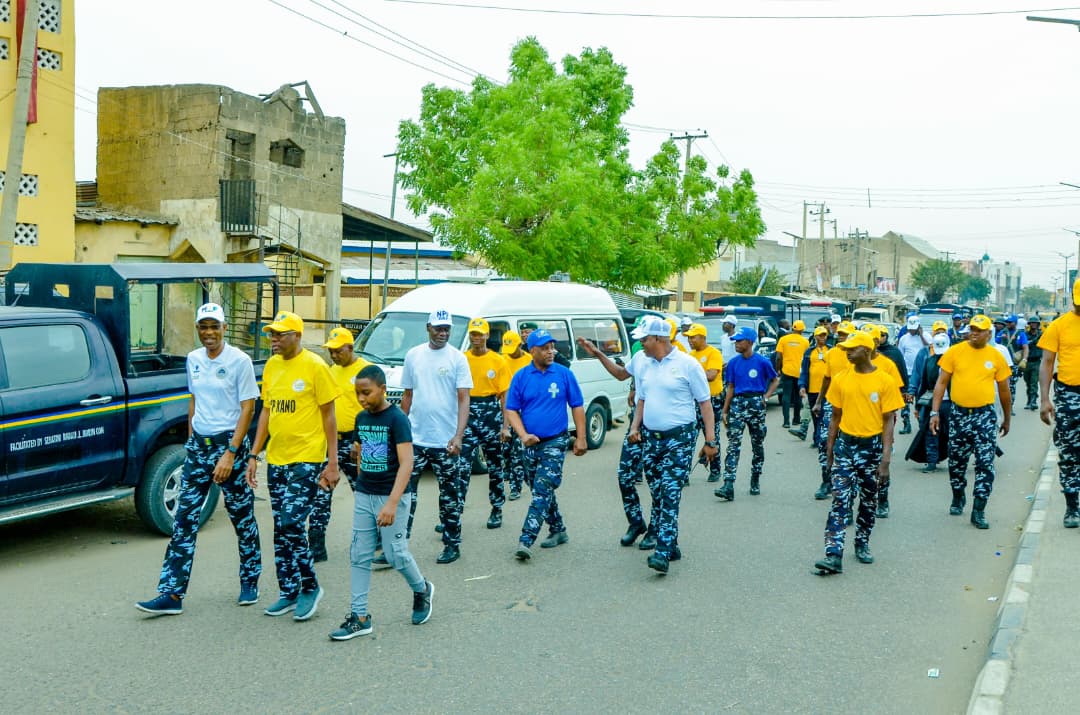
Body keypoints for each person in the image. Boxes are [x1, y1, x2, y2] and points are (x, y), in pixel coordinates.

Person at [135, 303, 261, 616]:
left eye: (214, 326)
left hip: (229, 447)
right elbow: (195, 400)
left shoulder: (239, 361)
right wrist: (191, 439)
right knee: (184, 521)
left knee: (242, 516)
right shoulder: (193, 359)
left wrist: (231, 453)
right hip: (199, 449)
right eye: (203, 327)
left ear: (225, 328)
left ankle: (250, 580)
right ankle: (171, 594)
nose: (209, 333)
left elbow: (248, 408)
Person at [328, 365, 433, 640]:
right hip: (365, 494)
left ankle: (422, 589)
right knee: (359, 555)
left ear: (383, 389)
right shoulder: (362, 419)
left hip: (392, 496)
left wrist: (391, 504)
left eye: (366, 392)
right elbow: (363, 453)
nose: (362, 398)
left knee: (395, 553)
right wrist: (361, 475)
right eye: (357, 393)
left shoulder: (397, 419)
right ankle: (359, 617)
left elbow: (407, 463)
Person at [246, 311, 339, 621]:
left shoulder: (316, 366)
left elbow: (329, 416)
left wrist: (332, 462)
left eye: (280, 334)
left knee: (291, 522)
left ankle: (310, 585)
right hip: (278, 458)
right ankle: (288, 590)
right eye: (272, 333)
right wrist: (253, 455)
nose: (273, 338)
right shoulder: (272, 366)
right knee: (280, 529)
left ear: (297, 336)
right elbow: (266, 413)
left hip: (308, 457)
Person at [629, 316, 717, 574]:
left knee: (669, 492)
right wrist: (635, 427)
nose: (641, 344)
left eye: (644, 339)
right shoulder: (645, 364)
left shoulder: (687, 364)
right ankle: (673, 543)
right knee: (657, 492)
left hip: (679, 438)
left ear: (658, 338)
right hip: (651, 438)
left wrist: (710, 441)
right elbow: (642, 401)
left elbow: (705, 404)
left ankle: (663, 551)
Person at [813, 331, 904, 575]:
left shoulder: (885, 380)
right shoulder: (841, 378)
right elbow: (835, 417)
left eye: (852, 349)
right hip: (845, 445)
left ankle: (862, 542)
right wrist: (830, 450)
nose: (847, 353)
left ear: (866, 350)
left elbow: (888, 422)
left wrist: (885, 460)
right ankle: (833, 554)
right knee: (840, 500)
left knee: (868, 500)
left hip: (871, 448)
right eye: (845, 349)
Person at [507, 330, 588, 561]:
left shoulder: (563, 374)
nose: (551, 351)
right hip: (530, 443)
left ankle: (526, 539)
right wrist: (522, 435)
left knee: (542, 488)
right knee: (539, 490)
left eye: (552, 346)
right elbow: (511, 409)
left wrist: (581, 438)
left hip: (555, 440)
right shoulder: (522, 376)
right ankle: (558, 529)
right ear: (532, 350)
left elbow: (577, 405)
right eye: (545, 347)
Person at [400, 309, 472, 565]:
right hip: (416, 440)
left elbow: (464, 399)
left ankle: (452, 545)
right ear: (428, 327)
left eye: (447, 329)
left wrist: (458, 435)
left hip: (446, 442)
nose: (442, 333)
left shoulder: (457, 358)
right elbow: (407, 396)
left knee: (450, 496)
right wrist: (399, 431)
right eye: (438, 328)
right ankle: (398, 545)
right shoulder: (414, 356)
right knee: (405, 494)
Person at [929, 315, 1012, 529]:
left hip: (984, 416)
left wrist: (1006, 418)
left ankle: (979, 509)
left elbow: (1004, 391)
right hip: (959, 415)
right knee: (957, 462)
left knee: (985, 463)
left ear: (989, 334)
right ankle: (958, 495)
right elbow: (941, 383)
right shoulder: (954, 352)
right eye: (972, 329)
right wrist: (934, 412)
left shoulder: (996, 356)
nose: (974, 333)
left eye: (979, 330)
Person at [575, 334, 654, 549]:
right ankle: (636, 522)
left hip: (664, 429)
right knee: (625, 476)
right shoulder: (640, 358)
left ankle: (657, 529)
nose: (642, 342)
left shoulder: (678, 361)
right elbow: (621, 374)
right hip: (638, 423)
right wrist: (599, 354)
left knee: (659, 483)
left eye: (645, 338)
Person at [307, 327, 369, 563]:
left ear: (350, 348)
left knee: (367, 492)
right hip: (333, 441)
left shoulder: (366, 370)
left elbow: (373, 410)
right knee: (321, 493)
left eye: (338, 351)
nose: (334, 355)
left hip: (362, 441)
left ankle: (376, 540)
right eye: (330, 351)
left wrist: (360, 441)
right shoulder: (330, 371)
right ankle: (316, 545)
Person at [715, 327, 779, 501]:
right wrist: (725, 410)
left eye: (740, 340)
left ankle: (755, 477)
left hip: (756, 404)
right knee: (733, 445)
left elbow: (775, 380)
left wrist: (765, 397)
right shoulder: (734, 363)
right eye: (735, 340)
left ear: (750, 342)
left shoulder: (762, 361)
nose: (736, 343)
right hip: (737, 403)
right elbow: (730, 387)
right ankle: (728, 483)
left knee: (757, 445)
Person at [458, 318, 511, 530]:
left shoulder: (498, 361)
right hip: (468, 413)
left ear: (487, 335)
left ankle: (497, 509)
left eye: (480, 334)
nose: (477, 338)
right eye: (473, 334)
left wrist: (505, 426)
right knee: (461, 467)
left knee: (495, 466)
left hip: (491, 413)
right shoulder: (462, 359)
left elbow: (505, 397)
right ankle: (454, 513)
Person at [1037, 287, 1080, 528]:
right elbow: (1047, 362)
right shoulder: (1059, 326)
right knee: (1070, 452)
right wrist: (1044, 399)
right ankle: (1072, 507)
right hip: (1069, 395)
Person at [907, 332, 951, 473]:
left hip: (951, 402)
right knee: (930, 432)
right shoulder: (929, 361)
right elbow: (924, 384)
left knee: (953, 432)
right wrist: (918, 406)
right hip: (932, 402)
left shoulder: (955, 363)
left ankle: (955, 461)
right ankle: (932, 461)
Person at [687, 323, 725, 483]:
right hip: (693, 401)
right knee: (689, 437)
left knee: (711, 435)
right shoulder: (690, 355)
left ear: (703, 337)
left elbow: (711, 375)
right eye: (688, 337)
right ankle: (683, 474)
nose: (690, 340)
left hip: (712, 400)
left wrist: (694, 371)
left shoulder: (713, 353)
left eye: (693, 337)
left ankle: (715, 470)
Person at [500, 330, 532, 500]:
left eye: (513, 348)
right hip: (505, 408)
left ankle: (516, 486)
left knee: (517, 452)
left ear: (520, 345)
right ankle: (509, 472)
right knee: (504, 447)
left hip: (522, 410)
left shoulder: (529, 360)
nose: (510, 352)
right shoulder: (502, 359)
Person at [795, 326, 830, 446]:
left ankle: (820, 439)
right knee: (815, 416)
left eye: (824, 335)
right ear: (815, 337)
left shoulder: (831, 350)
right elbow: (804, 370)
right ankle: (817, 437)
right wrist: (802, 385)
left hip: (827, 390)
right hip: (812, 389)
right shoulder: (809, 352)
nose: (822, 337)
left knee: (823, 415)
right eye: (820, 335)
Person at [776, 319, 809, 430]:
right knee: (798, 396)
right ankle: (796, 419)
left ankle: (786, 421)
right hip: (799, 372)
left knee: (786, 395)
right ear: (802, 330)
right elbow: (806, 358)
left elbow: (778, 357)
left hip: (787, 371)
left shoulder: (783, 339)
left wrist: (778, 369)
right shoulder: (805, 342)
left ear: (792, 328)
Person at [894, 317, 925, 435]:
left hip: (921, 373)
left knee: (920, 399)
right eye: (910, 328)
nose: (912, 331)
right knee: (906, 399)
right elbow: (900, 355)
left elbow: (930, 349)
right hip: (907, 372)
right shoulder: (904, 339)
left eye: (915, 328)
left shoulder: (925, 337)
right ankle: (906, 423)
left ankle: (921, 423)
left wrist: (921, 336)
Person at [1002, 314, 1029, 413]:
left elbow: (1025, 347)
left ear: (1015, 323)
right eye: (1007, 322)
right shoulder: (1002, 332)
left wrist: (1024, 359)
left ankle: (1010, 407)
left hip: (1013, 364)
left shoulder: (1020, 334)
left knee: (1012, 386)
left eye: (1010, 322)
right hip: (1002, 364)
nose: (1008, 324)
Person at [1024, 316, 1044, 410]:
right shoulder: (1025, 335)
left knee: (1033, 382)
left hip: (1037, 362)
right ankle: (1029, 400)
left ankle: (1033, 401)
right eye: (1032, 323)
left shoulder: (1042, 335)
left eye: (1035, 323)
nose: (1033, 324)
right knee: (1028, 382)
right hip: (1027, 362)